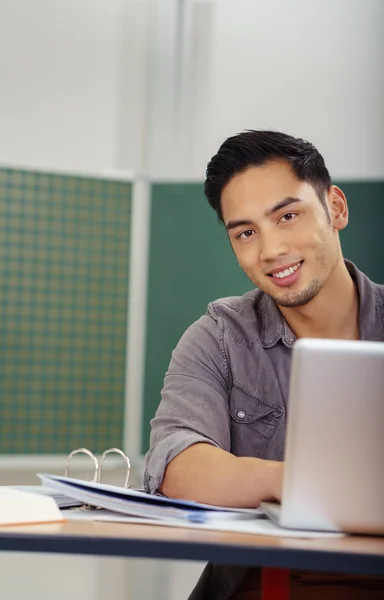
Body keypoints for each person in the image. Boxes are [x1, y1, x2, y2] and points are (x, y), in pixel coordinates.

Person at [143, 130, 384, 599]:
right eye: (246, 232)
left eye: (288, 216)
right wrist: (319, 485)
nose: (270, 250)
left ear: (336, 208)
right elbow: (176, 463)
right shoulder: (219, 337)